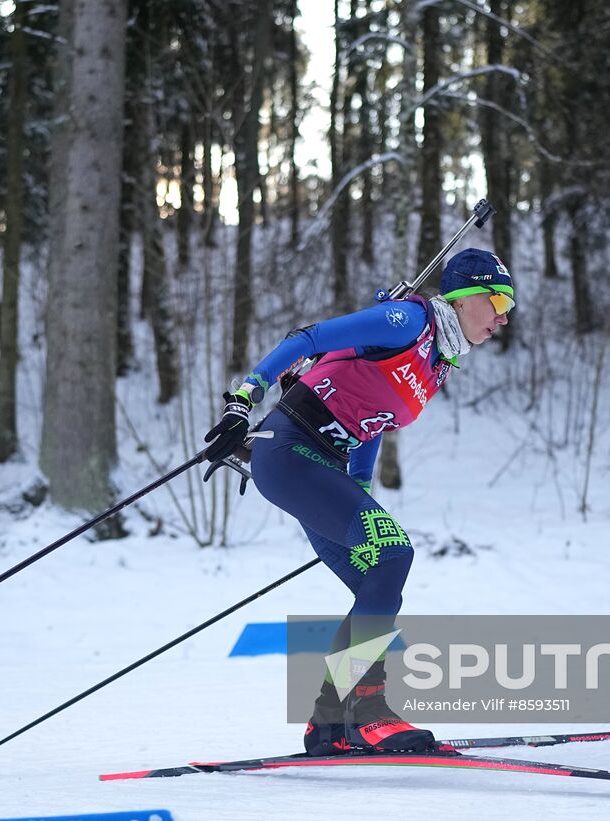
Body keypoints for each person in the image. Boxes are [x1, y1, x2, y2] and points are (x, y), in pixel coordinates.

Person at [203, 247, 516, 755]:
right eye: (497, 299)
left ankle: (330, 722)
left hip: (322, 468)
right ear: (462, 297)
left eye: (509, 307)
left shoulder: (437, 362)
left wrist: (359, 496)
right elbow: (309, 338)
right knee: (394, 556)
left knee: (379, 584)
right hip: (289, 452)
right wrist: (244, 399)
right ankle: (370, 714)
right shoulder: (408, 320)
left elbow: (371, 422)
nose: (502, 316)